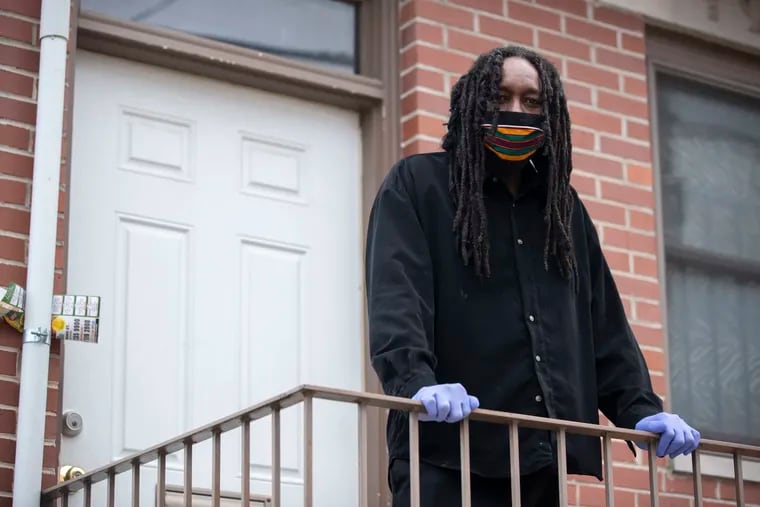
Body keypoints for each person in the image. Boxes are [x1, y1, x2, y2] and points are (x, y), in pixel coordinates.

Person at [365, 45, 700, 507]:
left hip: (541, 460)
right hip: (445, 453)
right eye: (500, 97)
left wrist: (641, 411)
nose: (515, 111)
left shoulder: (564, 213)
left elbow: (605, 330)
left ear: (551, 114)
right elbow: (397, 298)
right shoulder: (417, 185)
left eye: (531, 101)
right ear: (473, 103)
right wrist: (415, 382)